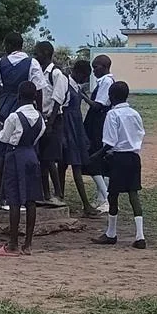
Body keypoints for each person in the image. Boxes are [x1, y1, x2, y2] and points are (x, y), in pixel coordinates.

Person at [0, 32, 47, 211]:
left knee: (1, 152)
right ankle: (21, 196)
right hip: (25, 108)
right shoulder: (32, 63)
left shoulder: (0, 63)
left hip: (5, 107)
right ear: (22, 45)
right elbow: (38, 89)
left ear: (7, 45)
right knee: (24, 150)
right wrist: (38, 110)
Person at [0, 81, 45, 257]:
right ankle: (28, 244)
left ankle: (12, 245)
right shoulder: (40, 118)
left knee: (14, 200)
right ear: (35, 96)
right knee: (31, 199)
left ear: (18, 97)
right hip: (32, 156)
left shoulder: (14, 117)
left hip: (15, 155)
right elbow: (37, 138)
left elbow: (3, 138)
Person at [92, 81, 146, 248]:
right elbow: (140, 134)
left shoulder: (112, 115)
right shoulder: (135, 113)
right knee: (133, 194)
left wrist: (96, 156)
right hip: (134, 157)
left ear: (111, 96)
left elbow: (109, 142)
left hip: (118, 158)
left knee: (113, 194)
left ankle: (111, 233)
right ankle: (140, 236)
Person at [59, 60, 98, 217]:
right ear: (79, 73)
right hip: (67, 126)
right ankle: (84, 204)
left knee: (69, 165)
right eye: (85, 76)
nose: (86, 80)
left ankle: (61, 197)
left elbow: (90, 103)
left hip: (75, 126)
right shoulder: (66, 85)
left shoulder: (76, 87)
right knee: (71, 165)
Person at [33, 41, 67, 207]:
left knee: (49, 159)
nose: (35, 56)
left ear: (46, 53)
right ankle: (45, 194)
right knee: (43, 160)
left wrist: (50, 123)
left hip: (53, 119)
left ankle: (58, 193)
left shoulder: (56, 74)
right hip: (42, 118)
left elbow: (57, 100)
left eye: (37, 53)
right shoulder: (39, 73)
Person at [81, 54, 115, 212]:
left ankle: (107, 198)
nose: (93, 70)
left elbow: (97, 106)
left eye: (96, 67)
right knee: (100, 161)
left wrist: (81, 95)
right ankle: (102, 198)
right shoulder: (104, 81)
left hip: (98, 123)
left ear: (105, 67)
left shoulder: (107, 82)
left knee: (93, 158)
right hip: (98, 122)